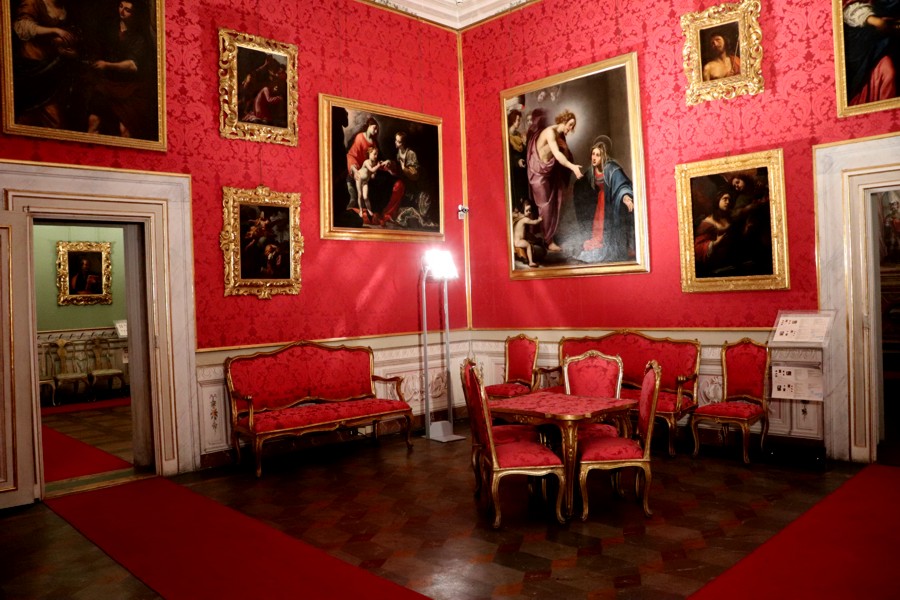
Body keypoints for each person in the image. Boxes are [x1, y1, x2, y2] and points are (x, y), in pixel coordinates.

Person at [86, 0, 156, 139]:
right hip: (107, 84)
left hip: (129, 89)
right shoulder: (109, 27)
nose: (122, 12)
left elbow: (132, 65)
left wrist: (107, 65)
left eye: (127, 10)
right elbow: (97, 49)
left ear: (135, 14)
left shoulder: (139, 37)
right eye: (120, 6)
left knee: (125, 129)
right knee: (93, 120)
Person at [11, 0, 79, 129]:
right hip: (33, 67)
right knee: (32, 117)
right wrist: (54, 30)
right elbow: (23, 27)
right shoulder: (33, 3)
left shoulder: (64, 8)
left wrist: (67, 50)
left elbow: (69, 36)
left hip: (53, 69)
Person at [526, 109, 583, 252]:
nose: (571, 129)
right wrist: (572, 167)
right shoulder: (550, 133)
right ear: (563, 120)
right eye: (570, 124)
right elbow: (557, 154)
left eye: (573, 126)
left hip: (547, 173)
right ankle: (548, 241)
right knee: (545, 207)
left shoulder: (559, 136)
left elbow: (563, 152)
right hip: (537, 173)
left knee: (551, 205)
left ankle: (547, 238)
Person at [573, 136, 636, 263]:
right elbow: (583, 184)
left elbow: (622, 185)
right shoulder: (592, 170)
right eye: (593, 154)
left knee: (607, 229)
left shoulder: (612, 168)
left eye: (598, 155)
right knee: (598, 228)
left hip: (609, 203)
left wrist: (626, 198)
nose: (594, 158)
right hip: (600, 202)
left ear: (604, 156)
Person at [842, 0, 900, 106]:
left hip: (882, 46)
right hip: (864, 52)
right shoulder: (854, 9)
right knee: (887, 72)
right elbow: (848, 9)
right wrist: (875, 20)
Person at [355, 146, 387, 222]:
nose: (376, 156)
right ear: (369, 154)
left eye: (377, 154)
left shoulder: (375, 163)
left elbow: (372, 174)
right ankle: (360, 210)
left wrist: (374, 174)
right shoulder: (366, 162)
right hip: (359, 178)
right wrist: (377, 166)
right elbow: (372, 169)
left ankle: (369, 209)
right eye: (374, 154)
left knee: (365, 197)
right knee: (360, 195)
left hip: (365, 181)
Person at [507, 109, 529, 211]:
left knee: (523, 190)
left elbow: (523, 152)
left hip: (521, 169)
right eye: (517, 120)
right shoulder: (507, 136)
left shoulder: (518, 135)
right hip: (513, 170)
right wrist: (517, 161)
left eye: (519, 120)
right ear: (512, 120)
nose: (519, 122)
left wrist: (524, 144)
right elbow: (509, 155)